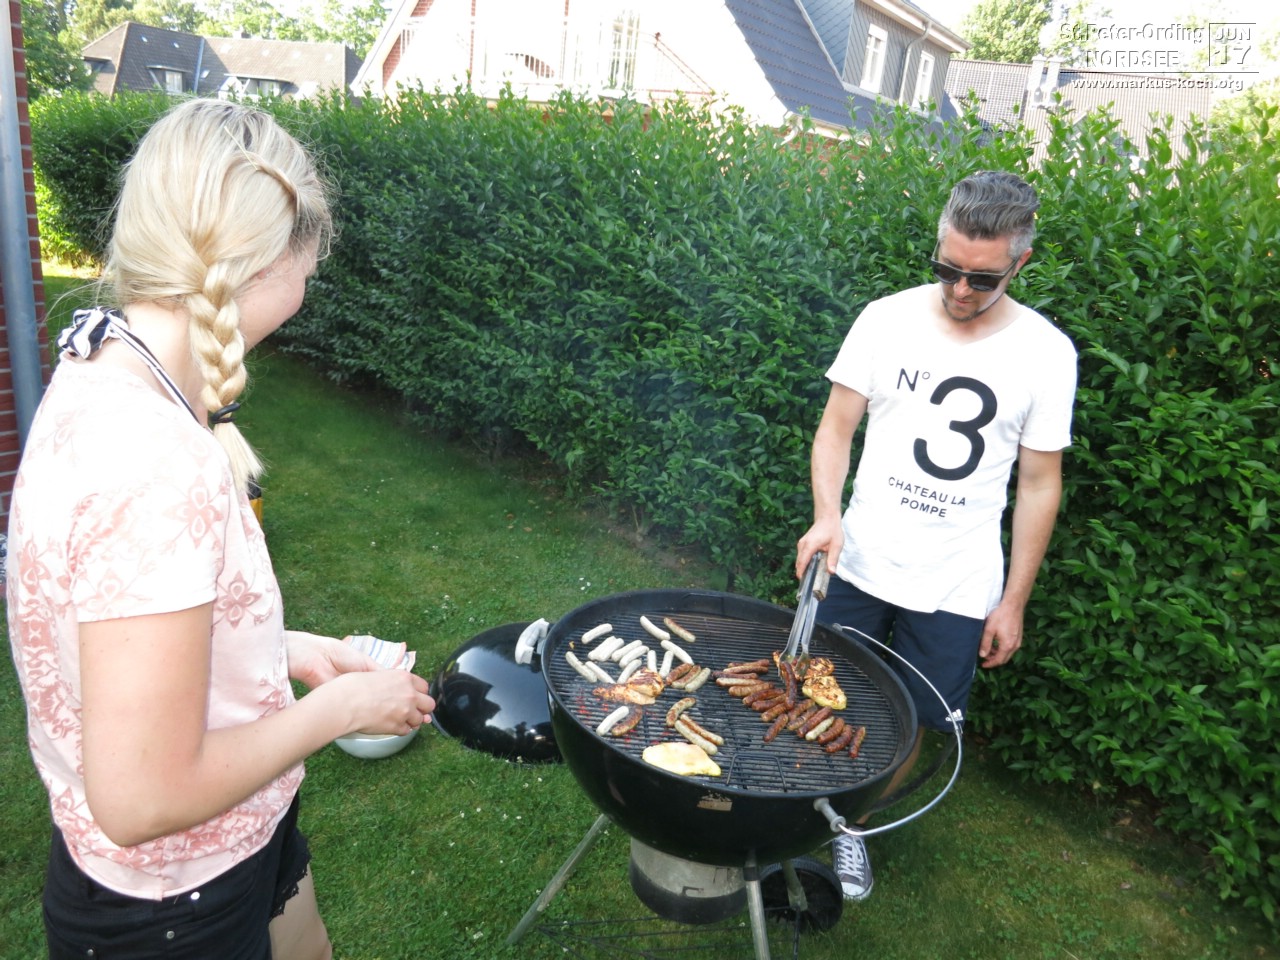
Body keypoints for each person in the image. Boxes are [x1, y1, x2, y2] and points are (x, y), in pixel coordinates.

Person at [6, 98, 436, 959]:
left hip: (240, 834)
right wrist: (341, 709)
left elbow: (123, 632)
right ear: (270, 262)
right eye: (311, 261)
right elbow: (141, 798)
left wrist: (284, 649)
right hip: (173, 899)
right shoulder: (157, 467)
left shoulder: (104, 358)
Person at [795, 170, 1077, 902]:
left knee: (912, 720)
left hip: (956, 581)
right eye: (947, 269)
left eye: (982, 279)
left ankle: (852, 825)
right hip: (858, 558)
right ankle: (796, 806)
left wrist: (1013, 601)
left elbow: (1039, 485)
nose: (960, 290)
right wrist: (827, 515)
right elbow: (836, 429)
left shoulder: (1048, 353)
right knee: (819, 689)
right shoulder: (884, 319)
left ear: (1021, 263)